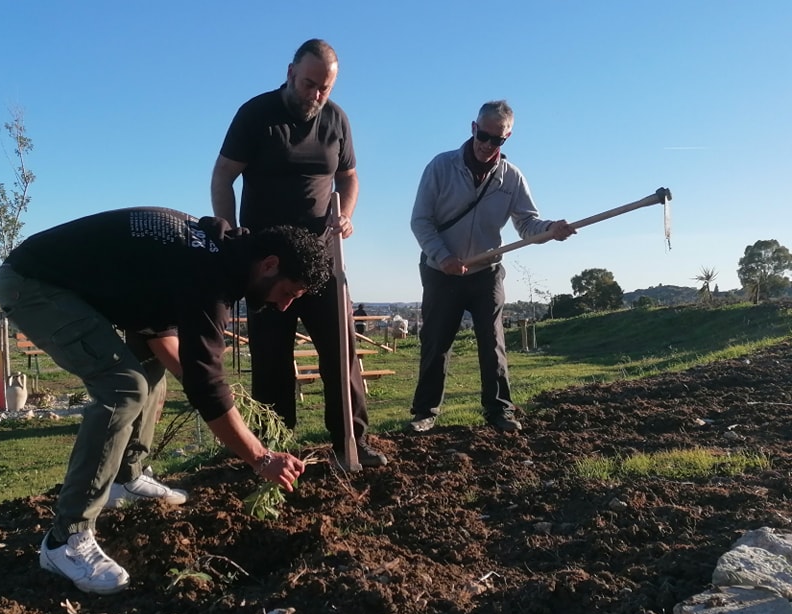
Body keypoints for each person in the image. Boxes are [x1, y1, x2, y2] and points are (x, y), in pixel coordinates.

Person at [0, 208, 332, 594]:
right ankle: (65, 539)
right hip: (35, 283)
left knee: (147, 366)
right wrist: (261, 457)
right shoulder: (211, 275)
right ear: (269, 264)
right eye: (287, 293)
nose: (284, 305)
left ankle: (126, 478)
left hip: (77, 286)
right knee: (123, 386)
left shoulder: (214, 254)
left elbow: (163, 339)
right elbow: (206, 380)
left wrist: (217, 400)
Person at [211, 38, 387, 469]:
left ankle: (351, 441)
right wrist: (231, 236)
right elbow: (222, 177)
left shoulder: (336, 120)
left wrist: (344, 215)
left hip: (322, 261)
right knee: (271, 360)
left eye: (324, 88)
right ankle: (275, 450)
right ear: (290, 73)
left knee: (341, 352)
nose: (316, 95)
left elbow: (350, 178)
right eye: (310, 84)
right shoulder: (256, 115)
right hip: (269, 266)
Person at [409, 100, 575, 434]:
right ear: (473, 128)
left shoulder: (511, 178)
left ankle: (499, 410)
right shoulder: (440, 167)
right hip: (441, 271)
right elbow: (421, 221)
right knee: (436, 341)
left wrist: (549, 230)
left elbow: (527, 225)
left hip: (486, 271)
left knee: (493, 340)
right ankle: (425, 412)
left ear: (507, 137)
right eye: (483, 135)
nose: (487, 145)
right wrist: (443, 257)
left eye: (497, 140)